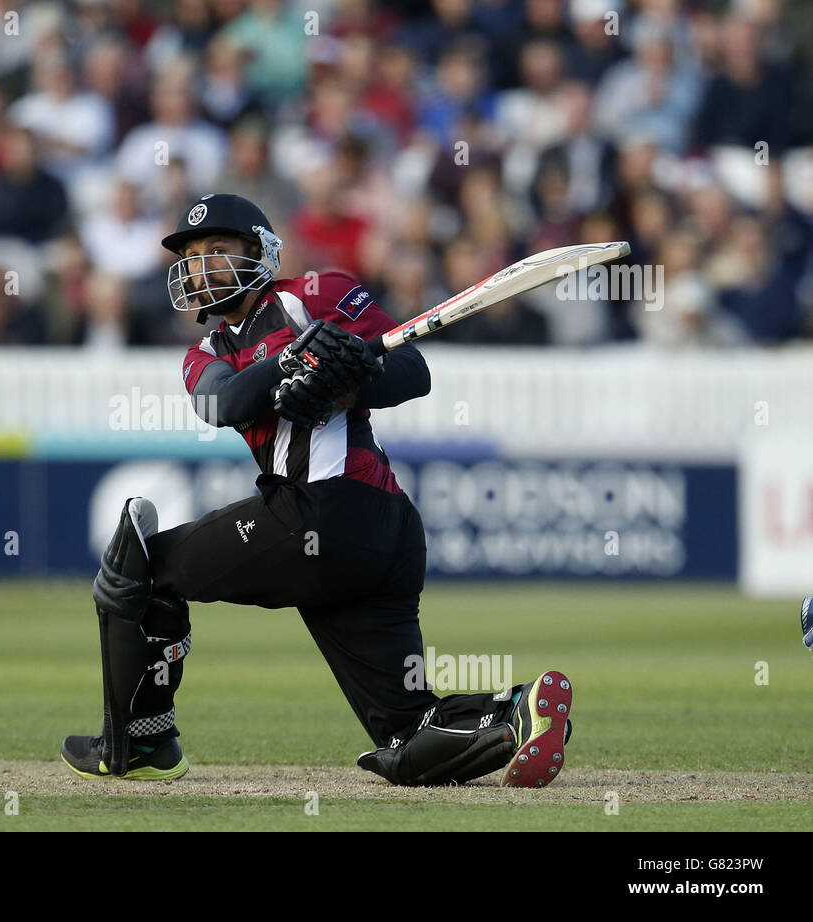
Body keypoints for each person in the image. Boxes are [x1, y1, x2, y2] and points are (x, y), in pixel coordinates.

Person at [60, 193, 572, 787]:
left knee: (140, 566)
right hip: (374, 538)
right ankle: (518, 711)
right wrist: (291, 366)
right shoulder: (203, 356)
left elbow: (414, 372)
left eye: (217, 252)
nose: (201, 267)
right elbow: (224, 402)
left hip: (327, 514)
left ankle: (142, 745)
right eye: (192, 256)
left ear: (260, 253)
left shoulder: (318, 294)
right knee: (407, 737)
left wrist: (350, 378)